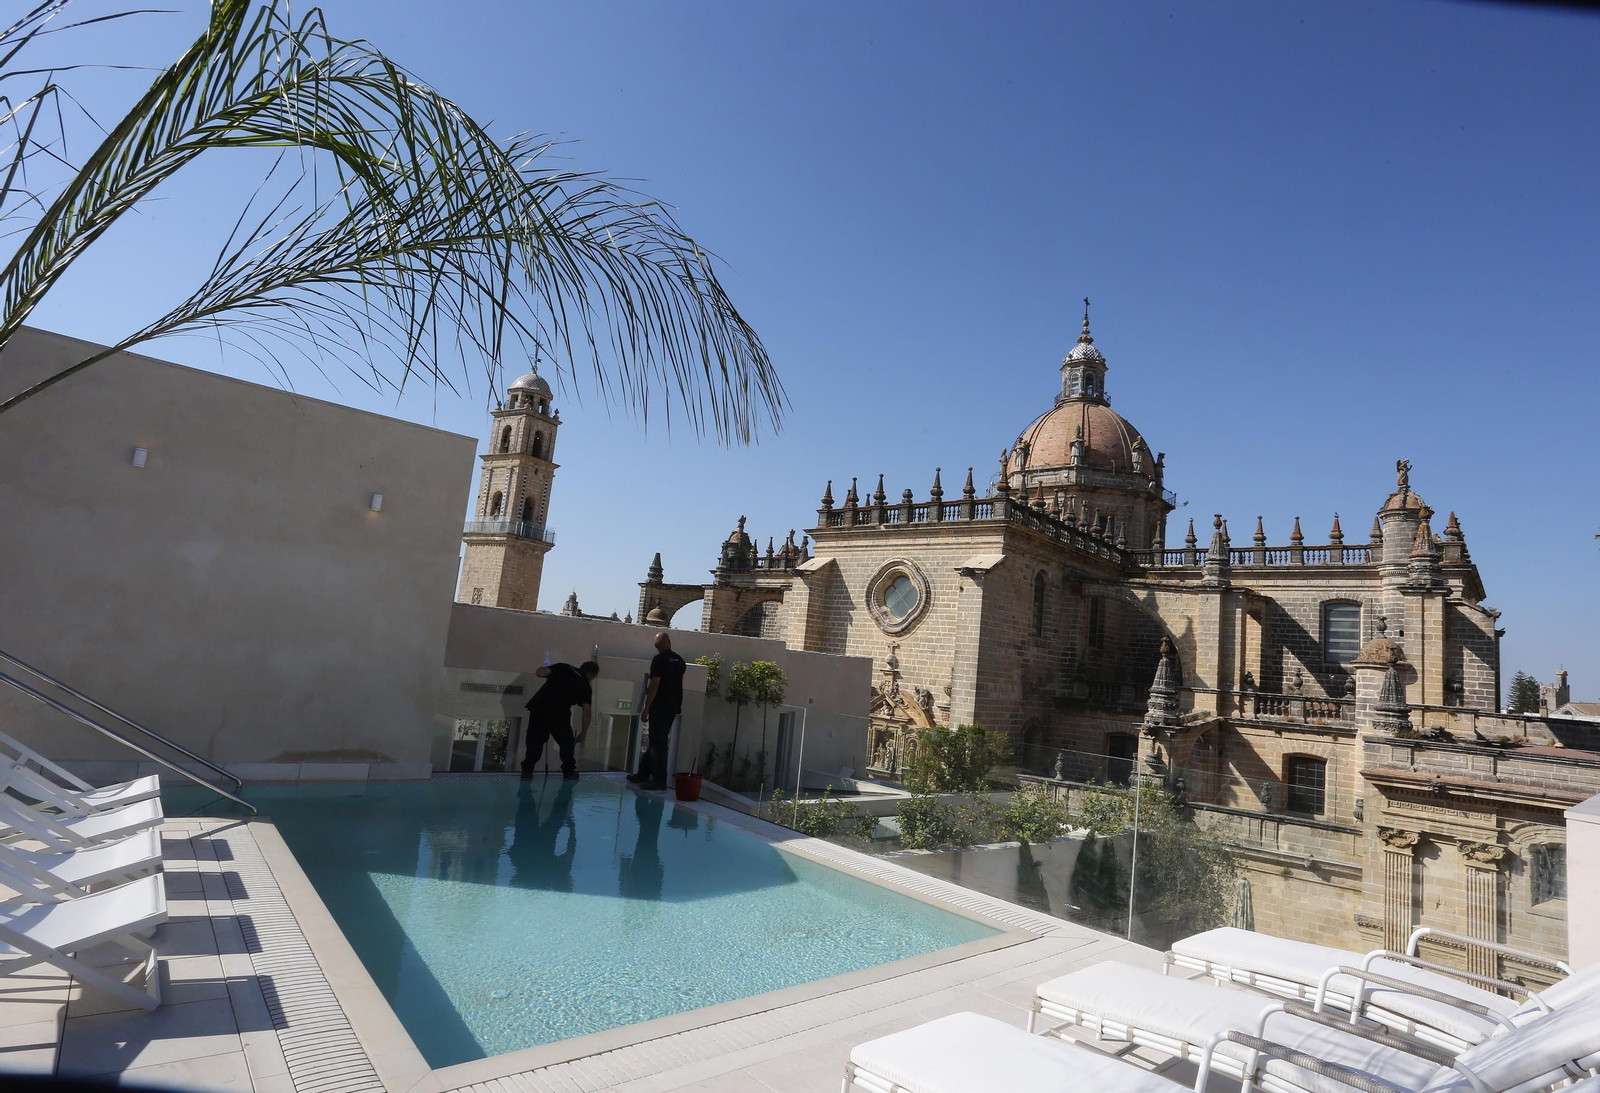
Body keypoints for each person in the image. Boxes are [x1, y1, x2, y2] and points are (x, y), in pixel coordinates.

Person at [522, 659, 599, 781]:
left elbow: (540, 673)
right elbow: (587, 713)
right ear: (592, 674)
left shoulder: (564, 667)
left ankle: (526, 772)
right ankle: (568, 773)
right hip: (559, 714)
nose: (592, 680)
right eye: (593, 678)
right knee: (567, 744)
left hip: (539, 709)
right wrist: (583, 733)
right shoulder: (585, 686)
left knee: (535, 742)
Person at [627, 632, 685, 790]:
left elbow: (655, 684)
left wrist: (646, 708)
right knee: (656, 741)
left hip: (660, 706)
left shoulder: (659, 659)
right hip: (673, 706)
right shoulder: (679, 660)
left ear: (655, 646)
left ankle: (659, 780)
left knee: (658, 743)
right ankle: (643, 773)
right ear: (670, 642)